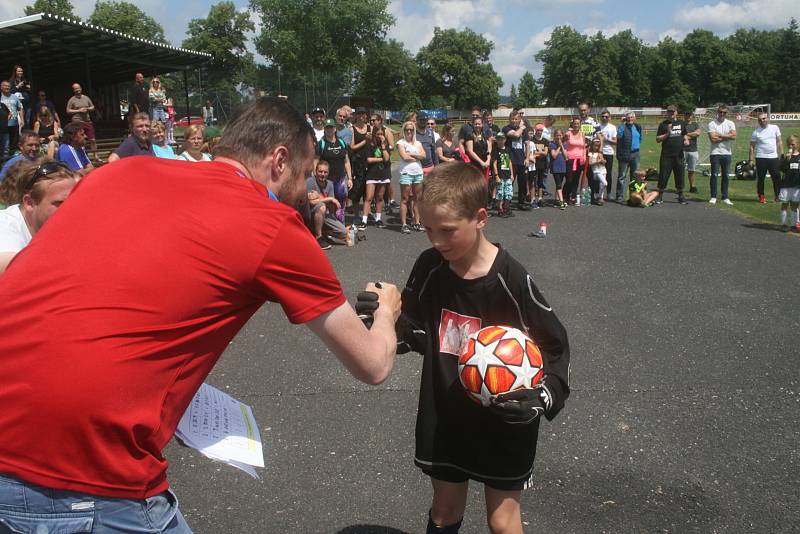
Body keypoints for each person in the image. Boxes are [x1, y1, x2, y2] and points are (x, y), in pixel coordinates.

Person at [0, 97, 402, 533]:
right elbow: (373, 364)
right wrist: (386, 312)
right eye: (305, 175)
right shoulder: (269, 223)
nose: (306, 190)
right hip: (80, 470)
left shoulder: (118, 172)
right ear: (279, 160)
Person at [393, 162, 570, 534]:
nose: (436, 241)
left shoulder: (512, 280)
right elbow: (413, 328)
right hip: (445, 414)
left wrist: (543, 397)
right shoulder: (429, 267)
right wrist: (379, 320)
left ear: (481, 218)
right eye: (427, 229)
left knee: (502, 521)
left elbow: (555, 346)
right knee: (444, 510)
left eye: (447, 231)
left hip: (505, 421)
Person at [0, 160, 78, 272]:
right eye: (60, 203)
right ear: (29, 203)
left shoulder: (55, 225)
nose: (71, 210)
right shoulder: (5, 226)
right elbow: (8, 266)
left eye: (73, 201)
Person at [303, 160, 347, 248]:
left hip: (325, 215)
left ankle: (323, 232)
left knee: (343, 232)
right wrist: (329, 198)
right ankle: (319, 237)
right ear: (316, 171)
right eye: (320, 171)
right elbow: (311, 202)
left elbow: (332, 207)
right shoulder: (310, 181)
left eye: (325, 172)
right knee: (321, 206)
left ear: (328, 173)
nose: (323, 174)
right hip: (310, 214)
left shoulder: (330, 184)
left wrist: (319, 197)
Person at [655, 105, 689, 205]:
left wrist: (686, 139)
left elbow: (684, 134)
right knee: (663, 175)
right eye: (669, 112)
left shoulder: (681, 123)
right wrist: (667, 133)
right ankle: (660, 196)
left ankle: (680, 196)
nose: (671, 113)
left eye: (673, 111)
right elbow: (657, 139)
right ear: (667, 113)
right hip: (666, 155)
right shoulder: (663, 124)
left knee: (680, 175)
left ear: (676, 112)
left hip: (679, 155)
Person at [315, 118, 352, 208]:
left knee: (341, 202)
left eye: (331, 128)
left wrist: (350, 178)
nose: (329, 130)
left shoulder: (341, 142)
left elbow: (346, 161)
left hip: (340, 179)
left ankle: (340, 221)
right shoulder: (321, 144)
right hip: (326, 180)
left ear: (335, 129)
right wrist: (316, 176)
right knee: (328, 202)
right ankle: (329, 220)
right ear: (324, 129)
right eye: (327, 128)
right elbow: (315, 161)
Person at [358, 127, 391, 229]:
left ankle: (378, 218)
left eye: (382, 134)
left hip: (383, 173)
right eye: (378, 134)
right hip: (372, 174)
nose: (380, 136)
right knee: (369, 197)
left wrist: (383, 146)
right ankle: (364, 220)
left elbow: (387, 158)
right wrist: (380, 159)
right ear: (374, 134)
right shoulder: (369, 144)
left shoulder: (385, 145)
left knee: (380, 197)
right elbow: (369, 159)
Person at [397, 120, 425, 234]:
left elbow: (424, 155)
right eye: (407, 129)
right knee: (405, 199)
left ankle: (417, 222)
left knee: (417, 199)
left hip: (418, 173)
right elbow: (404, 157)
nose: (409, 131)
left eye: (411, 129)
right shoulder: (400, 142)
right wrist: (417, 157)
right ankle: (404, 224)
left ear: (414, 131)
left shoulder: (418, 143)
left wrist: (412, 154)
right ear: (404, 130)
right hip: (406, 173)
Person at [749, 112, 783, 204]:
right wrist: (751, 160)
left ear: (767, 118)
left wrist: (782, 154)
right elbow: (752, 146)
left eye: (764, 118)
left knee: (776, 177)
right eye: (760, 120)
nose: (762, 121)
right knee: (761, 179)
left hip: (773, 157)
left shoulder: (775, 128)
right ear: (758, 121)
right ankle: (761, 196)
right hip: (761, 158)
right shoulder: (756, 132)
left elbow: (779, 142)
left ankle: (777, 196)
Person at [708, 104, 737, 205]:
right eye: (720, 112)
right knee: (714, 175)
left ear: (726, 113)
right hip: (715, 153)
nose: (722, 114)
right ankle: (713, 196)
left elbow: (734, 136)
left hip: (727, 153)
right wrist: (727, 136)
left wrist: (720, 135)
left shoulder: (730, 123)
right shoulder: (712, 124)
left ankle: (725, 197)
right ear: (717, 112)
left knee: (725, 175)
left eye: (724, 112)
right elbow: (712, 139)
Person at [502, 110, 530, 211]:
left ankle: (521, 203)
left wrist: (527, 158)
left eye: (516, 119)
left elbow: (527, 144)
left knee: (522, 183)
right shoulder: (506, 128)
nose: (514, 121)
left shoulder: (524, 131)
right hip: (509, 159)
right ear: (509, 119)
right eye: (512, 119)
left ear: (519, 119)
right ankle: (506, 203)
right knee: (509, 182)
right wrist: (522, 127)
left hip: (521, 159)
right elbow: (515, 135)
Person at [615, 111, 642, 203]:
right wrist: (622, 123)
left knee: (634, 177)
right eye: (628, 117)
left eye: (631, 117)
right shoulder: (622, 126)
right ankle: (619, 196)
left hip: (635, 154)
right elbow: (618, 136)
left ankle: (633, 196)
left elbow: (640, 138)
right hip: (624, 154)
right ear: (625, 118)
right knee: (621, 177)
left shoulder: (638, 127)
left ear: (634, 118)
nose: (630, 119)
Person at [66, 83, 97, 157]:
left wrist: (87, 109)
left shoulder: (86, 98)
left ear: (81, 88)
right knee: (80, 140)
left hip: (87, 121)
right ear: (73, 90)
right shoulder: (72, 100)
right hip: (77, 122)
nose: (77, 90)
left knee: (92, 139)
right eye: (75, 89)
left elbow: (92, 107)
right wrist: (79, 110)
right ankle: (82, 156)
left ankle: (96, 156)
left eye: (78, 88)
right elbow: (68, 110)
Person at [778, 135, 800, 231]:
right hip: (786, 185)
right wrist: (787, 159)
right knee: (784, 204)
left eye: (793, 144)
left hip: (797, 185)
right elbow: (782, 169)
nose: (791, 146)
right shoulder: (785, 156)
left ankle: (795, 224)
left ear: (797, 144)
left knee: (795, 205)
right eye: (789, 144)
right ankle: (783, 224)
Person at [564, 117, 586, 205]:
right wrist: (565, 155)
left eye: (578, 123)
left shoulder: (582, 134)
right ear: (572, 124)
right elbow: (562, 144)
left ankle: (573, 196)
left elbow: (584, 147)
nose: (576, 125)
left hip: (580, 160)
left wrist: (584, 157)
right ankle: (565, 196)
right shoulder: (568, 134)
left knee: (576, 179)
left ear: (580, 125)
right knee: (569, 179)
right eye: (575, 123)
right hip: (570, 159)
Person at [492, 132, 515, 217]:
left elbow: (510, 163)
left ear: (505, 140)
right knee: (500, 193)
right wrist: (496, 176)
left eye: (502, 139)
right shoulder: (495, 150)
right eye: (498, 139)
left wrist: (512, 174)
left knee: (508, 193)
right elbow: (494, 164)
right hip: (500, 175)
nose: (500, 140)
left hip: (508, 175)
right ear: (496, 140)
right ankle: (500, 209)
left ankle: (506, 208)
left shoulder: (508, 150)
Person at [465, 116, 491, 183]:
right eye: (475, 124)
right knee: (476, 185)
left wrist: (488, 161)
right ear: (473, 125)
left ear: (482, 125)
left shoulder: (485, 135)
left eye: (479, 124)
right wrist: (481, 162)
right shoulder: (470, 135)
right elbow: (470, 151)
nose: (477, 125)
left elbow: (488, 149)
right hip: (475, 164)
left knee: (485, 184)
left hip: (485, 164)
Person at [1, 80, 24, 155]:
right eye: (5, 85)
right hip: (3, 126)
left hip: (14, 124)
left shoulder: (14, 97)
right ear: (1, 87)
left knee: (14, 143)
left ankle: (13, 158)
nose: (7, 87)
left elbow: (20, 108)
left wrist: (22, 120)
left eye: (8, 86)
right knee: (5, 145)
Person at [528, 124, 549, 208]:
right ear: (535, 130)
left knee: (540, 182)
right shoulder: (532, 140)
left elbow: (546, 153)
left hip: (542, 164)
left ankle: (540, 198)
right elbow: (531, 153)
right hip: (533, 164)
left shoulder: (545, 141)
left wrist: (537, 152)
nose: (539, 132)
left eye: (541, 130)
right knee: (532, 182)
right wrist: (540, 152)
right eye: (538, 130)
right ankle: (532, 199)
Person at [598, 110, 616, 201]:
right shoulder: (597, 127)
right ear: (600, 117)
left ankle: (608, 193)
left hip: (609, 153)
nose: (604, 118)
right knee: (598, 173)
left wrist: (606, 139)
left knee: (608, 173)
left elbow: (615, 141)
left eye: (606, 116)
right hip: (599, 152)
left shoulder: (612, 127)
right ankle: (598, 194)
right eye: (603, 116)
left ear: (609, 117)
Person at [683, 110, 701, 194]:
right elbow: (680, 135)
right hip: (682, 150)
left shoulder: (695, 124)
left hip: (693, 150)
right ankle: (680, 186)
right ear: (684, 115)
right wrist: (689, 135)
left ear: (692, 116)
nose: (688, 116)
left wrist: (686, 135)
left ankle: (692, 187)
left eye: (689, 114)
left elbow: (698, 133)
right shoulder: (681, 124)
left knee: (692, 170)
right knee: (680, 170)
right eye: (686, 114)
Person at [549, 129, 568, 210]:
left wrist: (562, 146)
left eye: (560, 135)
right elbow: (554, 155)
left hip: (562, 166)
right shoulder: (552, 145)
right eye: (557, 135)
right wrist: (559, 146)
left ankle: (556, 200)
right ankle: (561, 201)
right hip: (555, 167)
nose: (559, 137)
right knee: (558, 184)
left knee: (560, 183)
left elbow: (566, 157)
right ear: (554, 136)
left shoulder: (565, 144)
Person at [415, 112, 438, 176]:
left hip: (430, 166)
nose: (422, 121)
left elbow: (434, 150)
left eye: (424, 120)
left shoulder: (430, 132)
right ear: (416, 120)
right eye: (420, 120)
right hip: (417, 166)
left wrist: (436, 166)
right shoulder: (412, 132)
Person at [587, 137, 607, 205]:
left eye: (598, 146)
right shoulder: (590, 154)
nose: (596, 147)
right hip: (596, 171)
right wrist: (597, 161)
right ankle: (599, 197)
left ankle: (600, 198)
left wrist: (603, 161)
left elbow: (603, 162)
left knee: (602, 185)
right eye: (595, 145)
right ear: (592, 145)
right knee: (605, 183)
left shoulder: (600, 153)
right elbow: (590, 163)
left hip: (603, 170)